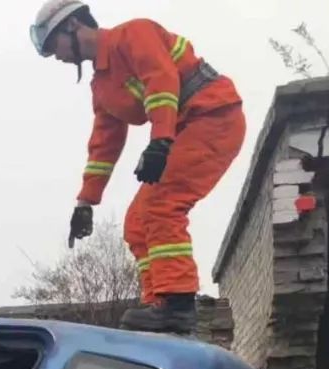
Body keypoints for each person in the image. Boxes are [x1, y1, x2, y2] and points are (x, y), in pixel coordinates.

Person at [30, 1, 245, 334]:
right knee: (136, 222)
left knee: (162, 207)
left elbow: (161, 80)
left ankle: (177, 302)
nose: (54, 56)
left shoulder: (133, 34)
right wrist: (85, 203)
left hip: (214, 116)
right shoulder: (101, 87)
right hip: (183, 129)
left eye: (52, 45)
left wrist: (160, 141)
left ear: (72, 26)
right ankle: (157, 303)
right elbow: (104, 145)